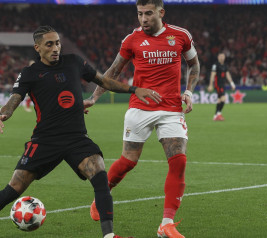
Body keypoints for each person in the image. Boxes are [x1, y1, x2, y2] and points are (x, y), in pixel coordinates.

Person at [0, 25, 161, 238]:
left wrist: (134, 89)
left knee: (99, 175)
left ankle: (109, 236)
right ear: (37, 48)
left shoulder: (75, 62)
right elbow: (15, 99)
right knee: (13, 188)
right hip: (45, 140)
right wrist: (0, 114)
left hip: (76, 138)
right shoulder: (30, 73)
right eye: (49, 44)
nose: (55, 48)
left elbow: (103, 81)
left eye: (57, 43)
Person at [84, 0, 200, 237]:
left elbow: (194, 64)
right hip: (139, 108)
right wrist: (94, 98)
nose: (144, 18)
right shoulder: (131, 40)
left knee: (179, 162)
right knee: (128, 162)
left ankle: (166, 223)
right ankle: (100, 199)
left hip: (171, 109)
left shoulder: (180, 35)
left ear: (161, 12)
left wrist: (188, 91)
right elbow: (112, 72)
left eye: (148, 13)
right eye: (140, 14)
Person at [207, 52, 236, 121]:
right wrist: (211, 85)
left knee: (220, 100)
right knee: (223, 98)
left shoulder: (225, 65)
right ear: (218, 57)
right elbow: (212, 75)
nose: (222, 57)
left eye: (223, 56)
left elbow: (227, 74)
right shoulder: (215, 65)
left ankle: (216, 116)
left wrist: (232, 83)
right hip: (218, 85)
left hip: (223, 85)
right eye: (220, 56)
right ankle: (219, 113)